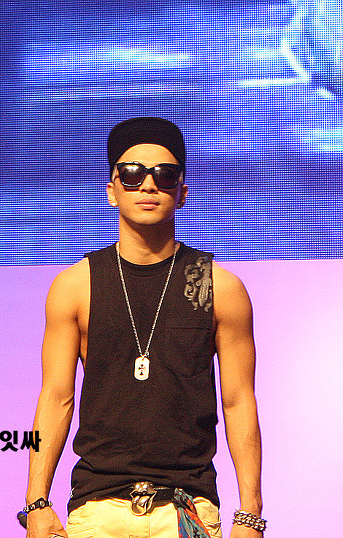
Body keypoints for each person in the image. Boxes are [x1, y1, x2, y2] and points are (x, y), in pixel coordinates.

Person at [24, 117, 264, 538]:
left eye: (164, 175)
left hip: (187, 508)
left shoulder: (217, 286)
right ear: (112, 190)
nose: (148, 185)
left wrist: (250, 512)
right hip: (96, 509)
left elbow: (239, 402)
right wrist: (35, 501)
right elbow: (55, 398)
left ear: (182, 192)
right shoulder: (76, 286)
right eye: (133, 174)